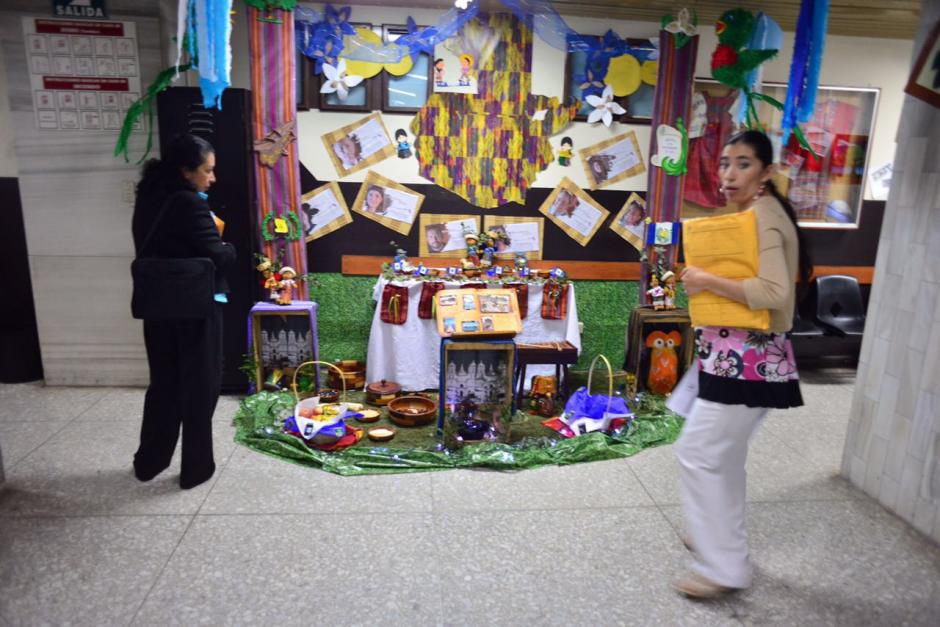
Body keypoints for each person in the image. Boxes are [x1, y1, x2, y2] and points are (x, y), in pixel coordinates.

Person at [674, 130, 812, 598]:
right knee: (723, 458)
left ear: (767, 173)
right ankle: (718, 541)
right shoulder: (753, 212)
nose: (730, 175)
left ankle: (726, 568)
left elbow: (775, 293)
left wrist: (707, 280)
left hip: (748, 361)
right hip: (733, 356)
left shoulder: (764, 217)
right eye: (726, 163)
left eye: (744, 164)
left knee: (698, 454)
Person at [130, 133, 236, 489]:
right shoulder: (190, 203)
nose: (213, 178)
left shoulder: (147, 197)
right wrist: (228, 246)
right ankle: (195, 468)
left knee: (163, 385)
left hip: (158, 306)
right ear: (186, 170)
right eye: (207, 171)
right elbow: (218, 255)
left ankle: (149, 461)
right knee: (200, 388)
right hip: (194, 309)